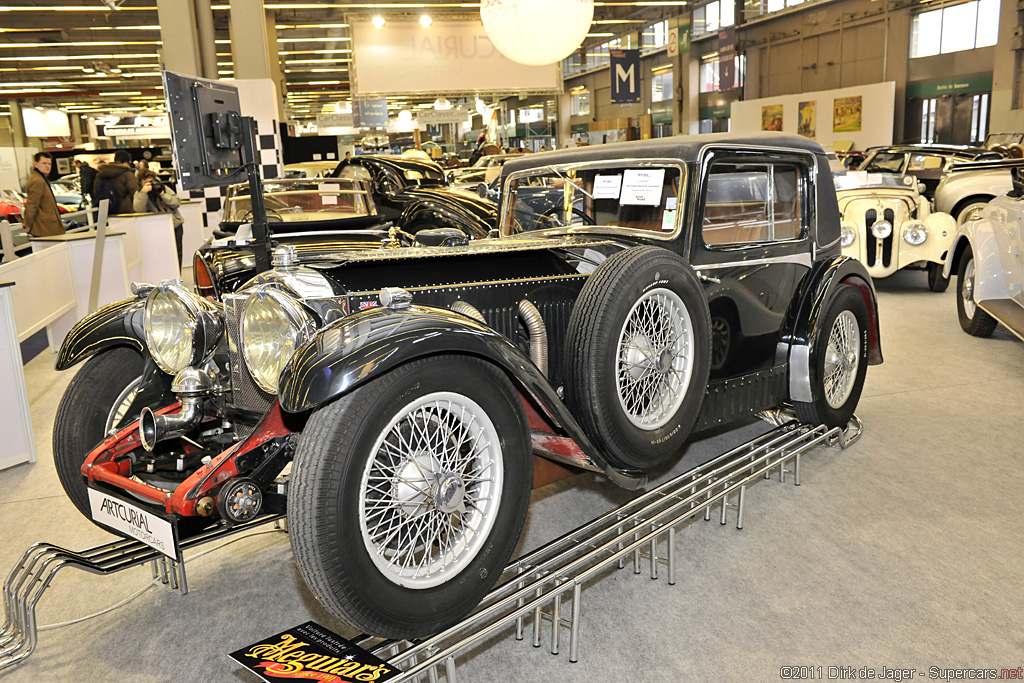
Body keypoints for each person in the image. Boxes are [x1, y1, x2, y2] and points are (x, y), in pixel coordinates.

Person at [134, 169, 184, 266]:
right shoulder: (139, 193)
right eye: (146, 182)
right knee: (162, 254)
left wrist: (162, 194)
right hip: (157, 228)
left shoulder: (163, 188)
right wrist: (144, 193)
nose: (150, 184)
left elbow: (176, 203)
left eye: (151, 181)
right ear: (141, 182)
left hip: (175, 225)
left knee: (177, 253)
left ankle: (178, 276)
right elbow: (138, 209)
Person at [23, 151, 65, 238]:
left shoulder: (40, 178)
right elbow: (32, 204)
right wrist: (28, 224)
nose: (47, 166)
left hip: (47, 227)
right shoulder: (37, 180)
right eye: (44, 163)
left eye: (49, 164)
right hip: (45, 229)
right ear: (36, 164)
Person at [95, 149, 140, 214]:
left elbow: (96, 189)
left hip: (105, 209)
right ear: (126, 162)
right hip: (124, 210)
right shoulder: (127, 174)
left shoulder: (101, 173)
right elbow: (134, 192)